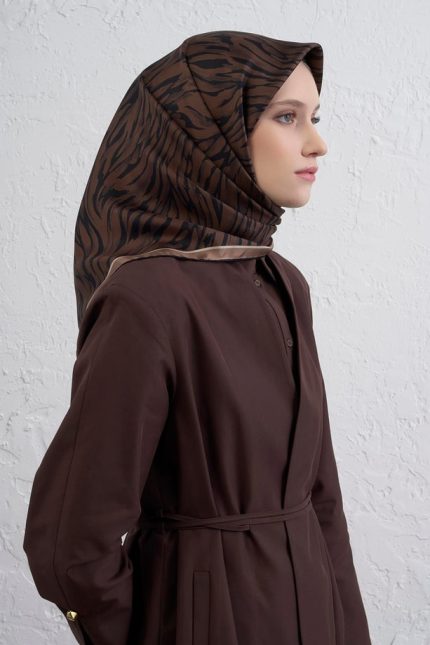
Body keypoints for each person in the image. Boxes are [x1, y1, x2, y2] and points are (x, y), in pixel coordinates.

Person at [23, 30, 372, 645]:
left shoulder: (283, 282)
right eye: (286, 117)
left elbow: (323, 500)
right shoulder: (146, 299)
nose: (317, 142)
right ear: (210, 135)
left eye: (313, 118)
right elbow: (72, 544)